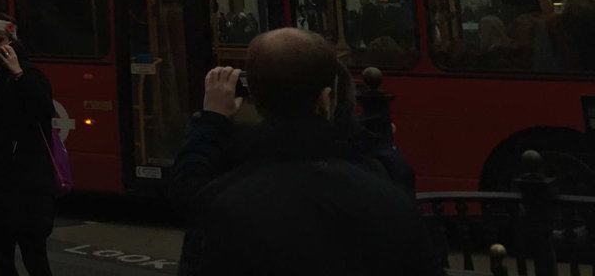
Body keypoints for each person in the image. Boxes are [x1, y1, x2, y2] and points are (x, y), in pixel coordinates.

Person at [172, 28, 431, 276]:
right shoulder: (384, 187)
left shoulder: (224, 197)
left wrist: (211, 119)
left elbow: (192, 192)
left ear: (256, 99)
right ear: (325, 98)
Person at [0, 23, 58, 276]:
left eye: (0, 39)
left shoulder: (30, 74)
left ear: (13, 41)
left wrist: (19, 75)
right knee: (0, 255)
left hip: (30, 184)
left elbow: (42, 112)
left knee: (34, 256)